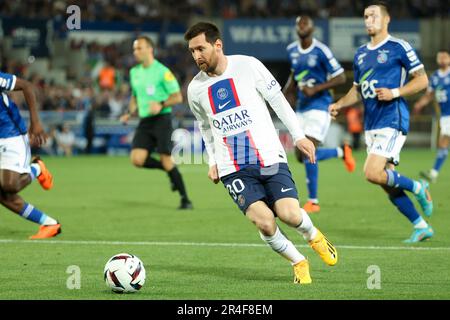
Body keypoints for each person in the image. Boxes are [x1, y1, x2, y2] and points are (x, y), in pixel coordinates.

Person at [185, 22, 338, 284]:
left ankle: (313, 235)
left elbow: (277, 100)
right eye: (192, 51)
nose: (196, 55)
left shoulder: (247, 65)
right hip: (233, 167)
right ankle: (298, 262)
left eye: (201, 48)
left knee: (290, 214)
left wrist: (299, 136)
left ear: (217, 45)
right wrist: (213, 160)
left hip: (268, 157)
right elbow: (206, 128)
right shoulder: (195, 89)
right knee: (265, 222)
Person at [329, 2, 434, 243]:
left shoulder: (399, 47)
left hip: (392, 117)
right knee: (386, 180)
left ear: (386, 19)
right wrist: (339, 105)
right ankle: (421, 226)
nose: (368, 20)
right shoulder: (361, 54)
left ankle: (419, 187)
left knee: (371, 172)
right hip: (372, 123)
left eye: (373, 16)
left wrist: (395, 92)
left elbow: (422, 80)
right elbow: (357, 90)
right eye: (365, 16)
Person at [283, 16, 356, 213]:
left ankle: (313, 201)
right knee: (300, 155)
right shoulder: (292, 50)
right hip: (301, 107)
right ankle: (341, 152)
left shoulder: (321, 50)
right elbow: (293, 75)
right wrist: (282, 95)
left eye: (305, 23)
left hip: (320, 105)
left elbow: (340, 76)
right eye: (299, 23)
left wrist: (316, 90)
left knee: (308, 151)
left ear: (312, 28)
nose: (302, 26)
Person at [120, 36, 192, 210]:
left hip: (162, 119)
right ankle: (170, 172)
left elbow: (178, 97)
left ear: (150, 49)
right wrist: (129, 113)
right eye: (134, 49)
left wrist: (161, 104)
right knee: (137, 159)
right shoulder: (134, 72)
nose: (136, 52)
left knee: (166, 160)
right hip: (145, 121)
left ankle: (185, 200)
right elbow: (135, 96)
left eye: (139, 48)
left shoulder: (162, 72)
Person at [0, 72, 60, 239]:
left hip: (11, 135)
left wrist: (35, 122)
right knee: (4, 195)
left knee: (10, 186)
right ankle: (50, 223)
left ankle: (36, 168)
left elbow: (26, 85)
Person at [414, 49, 450, 183]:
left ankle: (434, 173)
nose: (442, 60)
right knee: (443, 144)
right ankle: (434, 172)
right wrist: (419, 104)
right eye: (440, 57)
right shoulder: (435, 77)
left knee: (444, 141)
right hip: (445, 115)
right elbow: (429, 95)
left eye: (445, 57)